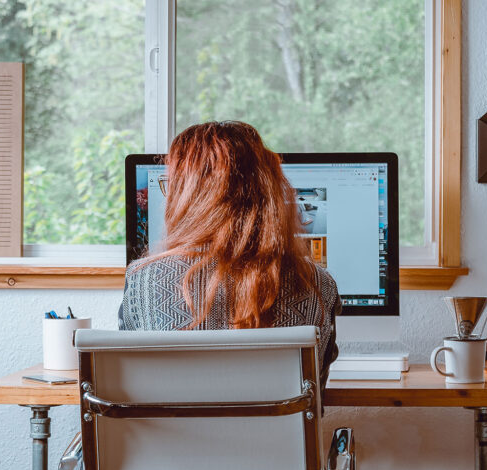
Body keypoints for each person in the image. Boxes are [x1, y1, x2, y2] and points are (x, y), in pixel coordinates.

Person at [119, 121, 341, 388]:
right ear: (268, 192)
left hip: (172, 430)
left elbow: (134, 383)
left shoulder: (143, 279)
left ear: (187, 195)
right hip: (275, 431)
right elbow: (315, 395)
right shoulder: (317, 283)